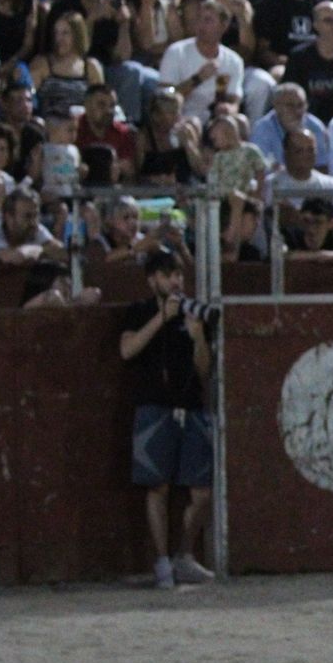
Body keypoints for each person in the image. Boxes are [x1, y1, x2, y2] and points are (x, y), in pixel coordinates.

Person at [119, 246, 214, 591]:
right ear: (152, 280)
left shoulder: (194, 315)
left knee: (202, 491)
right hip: (154, 407)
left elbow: (204, 371)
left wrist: (198, 336)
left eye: (178, 275)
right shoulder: (140, 311)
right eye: (167, 275)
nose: (175, 281)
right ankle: (162, 561)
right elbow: (127, 350)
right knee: (157, 486)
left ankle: (183, 555)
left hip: (191, 407)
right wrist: (161, 317)